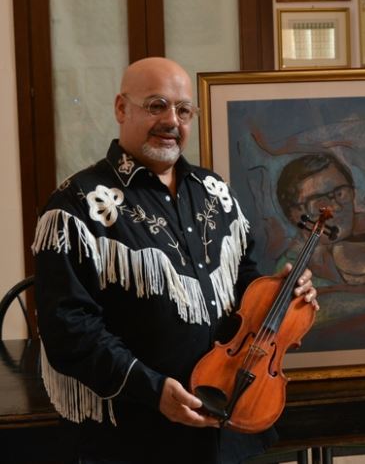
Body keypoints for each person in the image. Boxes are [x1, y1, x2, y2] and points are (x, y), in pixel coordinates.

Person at [31, 57, 318, 464]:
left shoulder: (215, 191)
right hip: (136, 432)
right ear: (120, 108)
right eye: (156, 105)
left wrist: (281, 295)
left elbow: (244, 280)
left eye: (183, 110)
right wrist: (153, 390)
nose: (171, 120)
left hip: (227, 416)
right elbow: (68, 330)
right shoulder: (76, 206)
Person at [275, 152, 365, 351]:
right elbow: (301, 309)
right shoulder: (289, 265)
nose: (336, 207)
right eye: (319, 202)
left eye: (340, 193)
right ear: (294, 215)